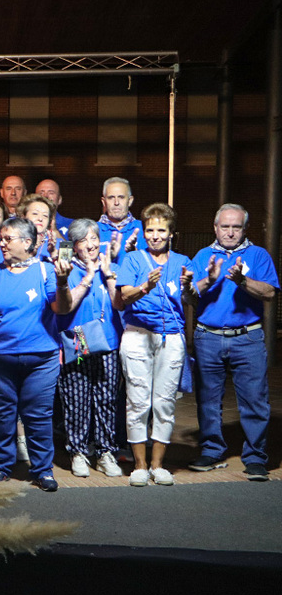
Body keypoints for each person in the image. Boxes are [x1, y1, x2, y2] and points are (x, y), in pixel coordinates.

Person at [189, 204, 279, 481]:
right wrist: (208, 279)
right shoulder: (203, 256)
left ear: (244, 229)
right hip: (208, 337)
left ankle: (255, 457)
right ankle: (212, 452)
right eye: (225, 226)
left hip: (248, 338)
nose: (230, 232)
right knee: (208, 400)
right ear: (215, 228)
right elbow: (190, 296)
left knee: (254, 401)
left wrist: (242, 280)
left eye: (236, 227)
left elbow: (269, 292)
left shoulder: (258, 255)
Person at [0, 217, 72, 491]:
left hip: (41, 361)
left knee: (38, 415)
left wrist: (63, 282)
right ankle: (1, 465)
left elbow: (62, 309)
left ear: (29, 242)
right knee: (0, 414)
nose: (2, 244)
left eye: (8, 239)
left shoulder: (46, 272)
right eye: (1, 239)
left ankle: (43, 470)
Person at [116, 203, 195, 487]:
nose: (155, 235)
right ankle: (139, 465)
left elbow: (194, 300)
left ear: (171, 233)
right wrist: (145, 288)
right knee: (138, 401)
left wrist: (191, 287)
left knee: (164, 403)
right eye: (150, 229)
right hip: (137, 335)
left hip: (171, 337)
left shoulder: (184, 261)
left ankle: (158, 464)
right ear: (143, 231)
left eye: (161, 229)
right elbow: (124, 296)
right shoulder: (133, 259)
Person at [55, 219, 124, 478]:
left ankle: (106, 452)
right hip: (80, 338)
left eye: (94, 238)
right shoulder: (67, 270)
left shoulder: (112, 267)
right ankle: (78, 452)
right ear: (73, 246)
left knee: (106, 398)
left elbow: (119, 303)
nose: (92, 244)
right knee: (78, 398)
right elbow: (66, 307)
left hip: (108, 340)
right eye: (84, 240)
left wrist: (107, 275)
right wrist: (88, 277)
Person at [98, 177, 143, 264]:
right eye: (111, 198)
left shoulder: (145, 229)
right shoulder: (92, 230)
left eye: (121, 197)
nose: (116, 202)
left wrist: (134, 251)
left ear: (130, 201)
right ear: (104, 202)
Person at [16, 193, 58, 260]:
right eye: (35, 214)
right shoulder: (10, 242)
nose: (40, 219)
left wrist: (53, 254)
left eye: (45, 216)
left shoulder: (58, 245)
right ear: (23, 216)